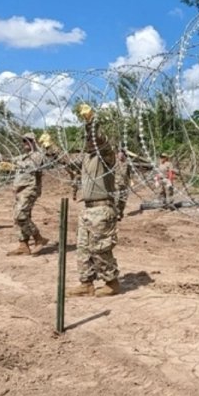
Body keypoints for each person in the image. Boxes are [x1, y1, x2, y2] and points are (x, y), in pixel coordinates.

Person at [67, 104, 121, 297]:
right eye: (87, 139)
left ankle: (112, 282)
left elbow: (102, 142)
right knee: (83, 248)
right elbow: (63, 160)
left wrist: (91, 125)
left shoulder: (106, 156)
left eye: (91, 139)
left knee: (100, 248)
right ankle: (86, 283)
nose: (89, 141)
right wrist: (50, 148)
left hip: (102, 208)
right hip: (88, 209)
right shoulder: (86, 159)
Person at [3, 132, 50, 256]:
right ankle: (23, 245)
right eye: (24, 140)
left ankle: (39, 238)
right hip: (19, 190)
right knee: (17, 218)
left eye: (28, 140)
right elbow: (7, 161)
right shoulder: (23, 157)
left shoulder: (38, 155)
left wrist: (14, 164)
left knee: (21, 215)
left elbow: (32, 166)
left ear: (34, 141)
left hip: (30, 189)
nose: (25, 142)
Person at [113, 149, 131, 220]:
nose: (120, 156)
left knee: (123, 200)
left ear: (124, 155)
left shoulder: (127, 164)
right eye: (119, 155)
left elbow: (129, 174)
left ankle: (121, 212)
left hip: (125, 184)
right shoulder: (115, 163)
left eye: (121, 155)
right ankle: (117, 214)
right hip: (117, 183)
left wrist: (130, 182)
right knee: (116, 199)